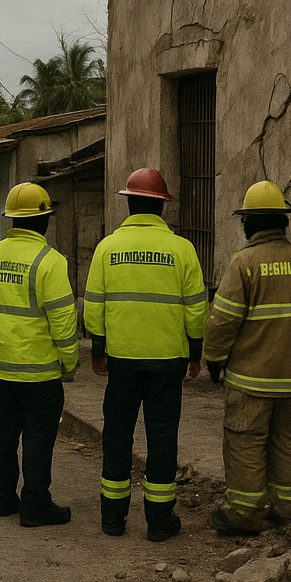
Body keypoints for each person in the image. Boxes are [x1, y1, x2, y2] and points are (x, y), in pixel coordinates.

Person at [84, 168, 208, 541]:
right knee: (163, 435)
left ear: (129, 203)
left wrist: (99, 350)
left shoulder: (107, 247)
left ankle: (112, 519)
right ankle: (158, 521)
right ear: (162, 207)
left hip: (121, 359)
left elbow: (93, 306)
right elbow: (196, 309)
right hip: (168, 361)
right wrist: (195, 353)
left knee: (117, 434)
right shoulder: (182, 249)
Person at [202, 181, 291, 534]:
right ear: (283, 223)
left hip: (250, 381)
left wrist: (214, 358)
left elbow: (222, 321)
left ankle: (245, 514)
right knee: (288, 441)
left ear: (248, 224)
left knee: (246, 441)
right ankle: (288, 509)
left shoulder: (244, 263)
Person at [0, 182, 79, 527]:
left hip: (3, 369)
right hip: (41, 374)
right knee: (38, 438)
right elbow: (63, 321)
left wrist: (1, 342)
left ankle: (2, 498)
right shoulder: (50, 262)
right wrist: (69, 363)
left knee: (5, 432)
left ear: (12, 220)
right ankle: (36, 505)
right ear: (44, 220)